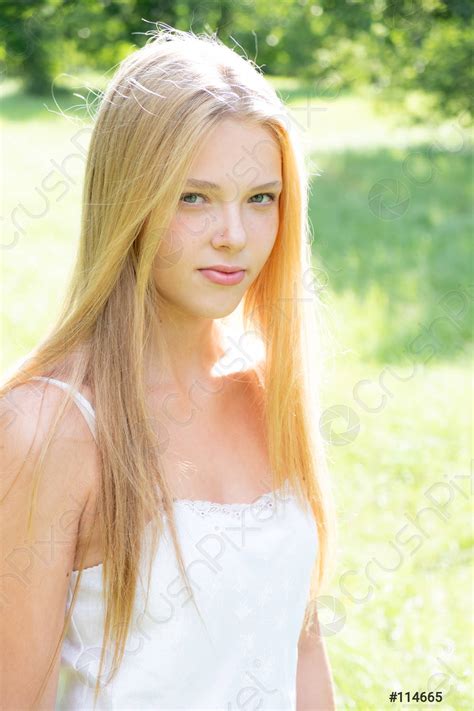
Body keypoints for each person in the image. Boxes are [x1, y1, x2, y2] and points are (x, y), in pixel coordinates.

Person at [0, 24, 337, 710]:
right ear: (127, 200)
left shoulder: (269, 393)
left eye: (260, 198)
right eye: (194, 196)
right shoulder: (49, 428)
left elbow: (299, 646)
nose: (234, 236)